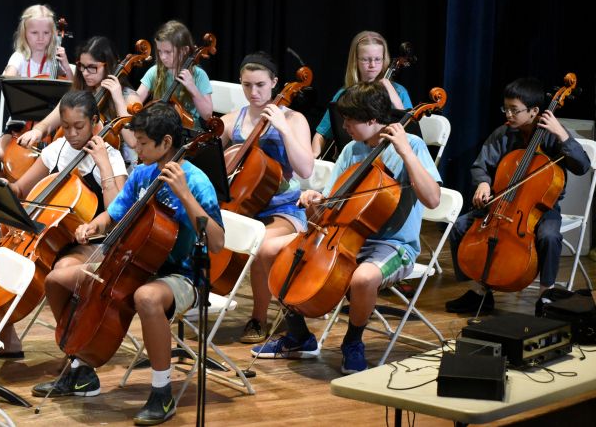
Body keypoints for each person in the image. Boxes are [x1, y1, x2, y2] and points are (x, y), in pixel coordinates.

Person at [32, 102, 224, 425]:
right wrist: (97, 225)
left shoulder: (197, 182)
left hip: (181, 275)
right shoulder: (144, 173)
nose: (137, 149)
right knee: (56, 280)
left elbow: (217, 241)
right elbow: (116, 212)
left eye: (144, 144)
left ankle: (162, 394)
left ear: (166, 143)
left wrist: (186, 196)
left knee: (146, 298)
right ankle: (80, 369)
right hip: (132, 265)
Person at [252, 82, 440, 374]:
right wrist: (315, 201)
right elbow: (329, 205)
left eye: (351, 119)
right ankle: (299, 336)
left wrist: (406, 153)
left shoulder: (411, 146)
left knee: (363, 278)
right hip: (342, 237)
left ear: (374, 119)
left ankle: (353, 342)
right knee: (268, 250)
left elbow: (432, 199)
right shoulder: (352, 149)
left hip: (394, 245)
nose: (345, 125)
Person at [0, 90, 129, 356]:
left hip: (92, 241)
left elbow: (118, 213)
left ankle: (74, 345)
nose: (72, 134)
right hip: (50, 237)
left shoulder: (111, 157)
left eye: (79, 127)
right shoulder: (58, 149)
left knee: (64, 269)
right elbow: (20, 189)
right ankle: (7, 339)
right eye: (65, 127)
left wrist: (103, 167)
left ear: (94, 122)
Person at [445, 77, 590, 316]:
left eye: (514, 110)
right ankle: (478, 292)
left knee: (549, 236)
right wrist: (482, 183)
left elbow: (582, 166)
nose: (508, 115)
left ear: (534, 111)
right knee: (460, 226)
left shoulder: (554, 134)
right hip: (502, 203)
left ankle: (546, 295)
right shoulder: (503, 133)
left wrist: (562, 135)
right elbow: (481, 165)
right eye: (506, 108)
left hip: (541, 208)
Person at [218, 52, 314, 343]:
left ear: (274, 82)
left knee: (260, 246)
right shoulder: (233, 119)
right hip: (242, 208)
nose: (254, 92)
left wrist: (283, 129)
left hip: (283, 210)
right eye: (247, 85)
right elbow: (208, 159)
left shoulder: (294, 119)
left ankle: (259, 318)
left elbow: (306, 168)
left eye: (260, 84)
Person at [15, 36, 142, 156]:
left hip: (117, 168)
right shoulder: (79, 93)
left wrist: (118, 100)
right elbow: (48, 123)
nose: (85, 73)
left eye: (92, 67)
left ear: (108, 65)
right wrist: (36, 132)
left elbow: (133, 142)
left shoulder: (130, 98)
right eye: (82, 66)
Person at [311, 30, 412, 158]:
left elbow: (409, 134)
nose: (372, 65)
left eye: (378, 59)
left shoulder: (399, 92)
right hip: (350, 159)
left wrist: (391, 93)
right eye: (366, 60)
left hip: (389, 159)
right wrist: (313, 157)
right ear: (355, 61)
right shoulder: (345, 94)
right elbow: (321, 134)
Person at [0, 4, 72, 156]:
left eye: (46, 33)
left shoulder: (54, 60)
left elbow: (75, 89)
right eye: (34, 33)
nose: (40, 38)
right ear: (24, 34)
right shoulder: (20, 56)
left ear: (53, 34)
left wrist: (65, 65)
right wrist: (10, 75)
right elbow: (9, 78)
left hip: (53, 123)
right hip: (21, 123)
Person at [136, 20, 214, 128]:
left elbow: (207, 115)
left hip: (189, 135)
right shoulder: (155, 71)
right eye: (160, 51)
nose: (162, 57)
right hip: (159, 133)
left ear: (184, 50)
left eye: (168, 52)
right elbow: (136, 100)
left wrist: (192, 87)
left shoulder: (199, 75)